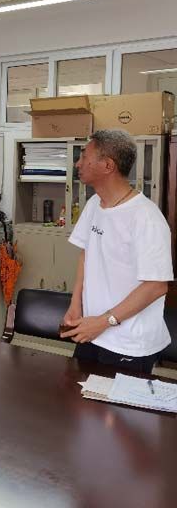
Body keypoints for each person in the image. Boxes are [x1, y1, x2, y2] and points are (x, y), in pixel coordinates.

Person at [61, 130, 173, 373]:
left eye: (85, 156)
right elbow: (86, 254)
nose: (78, 163)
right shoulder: (94, 204)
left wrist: (104, 322)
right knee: (77, 394)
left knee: (112, 400)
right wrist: (75, 303)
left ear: (108, 165)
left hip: (128, 342)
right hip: (90, 330)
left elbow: (156, 286)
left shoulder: (146, 217)